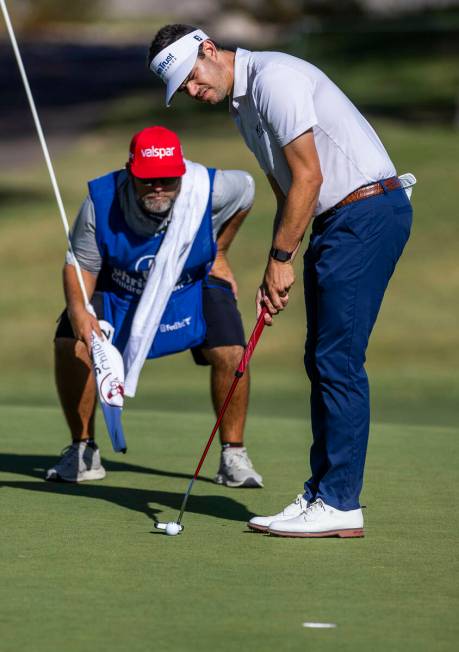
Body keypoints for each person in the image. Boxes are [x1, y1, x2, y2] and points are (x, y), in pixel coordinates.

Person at [148, 26, 414, 537]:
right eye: (181, 90)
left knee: (337, 359)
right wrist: (278, 268)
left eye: (191, 79)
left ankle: (340, 502)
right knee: (322, 357)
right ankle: (323, 493)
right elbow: (286, 187)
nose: (192, 92)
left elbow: (310, 178)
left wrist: (280, 258)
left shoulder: (274, 79)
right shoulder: (241, 107)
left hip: (366, 212)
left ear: (209, 50)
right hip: (336, 223)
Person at [46, 125, 263, 489]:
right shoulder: (100, 202)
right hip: (120, 288)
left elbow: (248, 190)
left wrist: (220, 250)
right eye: (148, 180)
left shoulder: (211, 187)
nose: (159, 187)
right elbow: (81, 264)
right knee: (70, 339)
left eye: (168, 179)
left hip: (189, 282)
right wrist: (80, 313)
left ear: (181, 173)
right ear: (131, 172)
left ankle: (233, 455)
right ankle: (82, 451)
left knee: (232, 351)